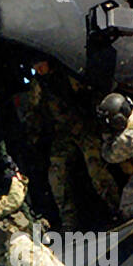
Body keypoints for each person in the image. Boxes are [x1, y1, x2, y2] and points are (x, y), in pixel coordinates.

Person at [31, 63, 120, 228]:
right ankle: (68, 221)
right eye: (35, 68)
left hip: (85, 126)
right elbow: (37, 112)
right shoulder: (40, 84)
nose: (38, 70)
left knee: (96, 168)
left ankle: (115, 208)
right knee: (56, 173)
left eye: (40, 66)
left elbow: (91, 97)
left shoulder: (68, 72)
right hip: (64, 132)